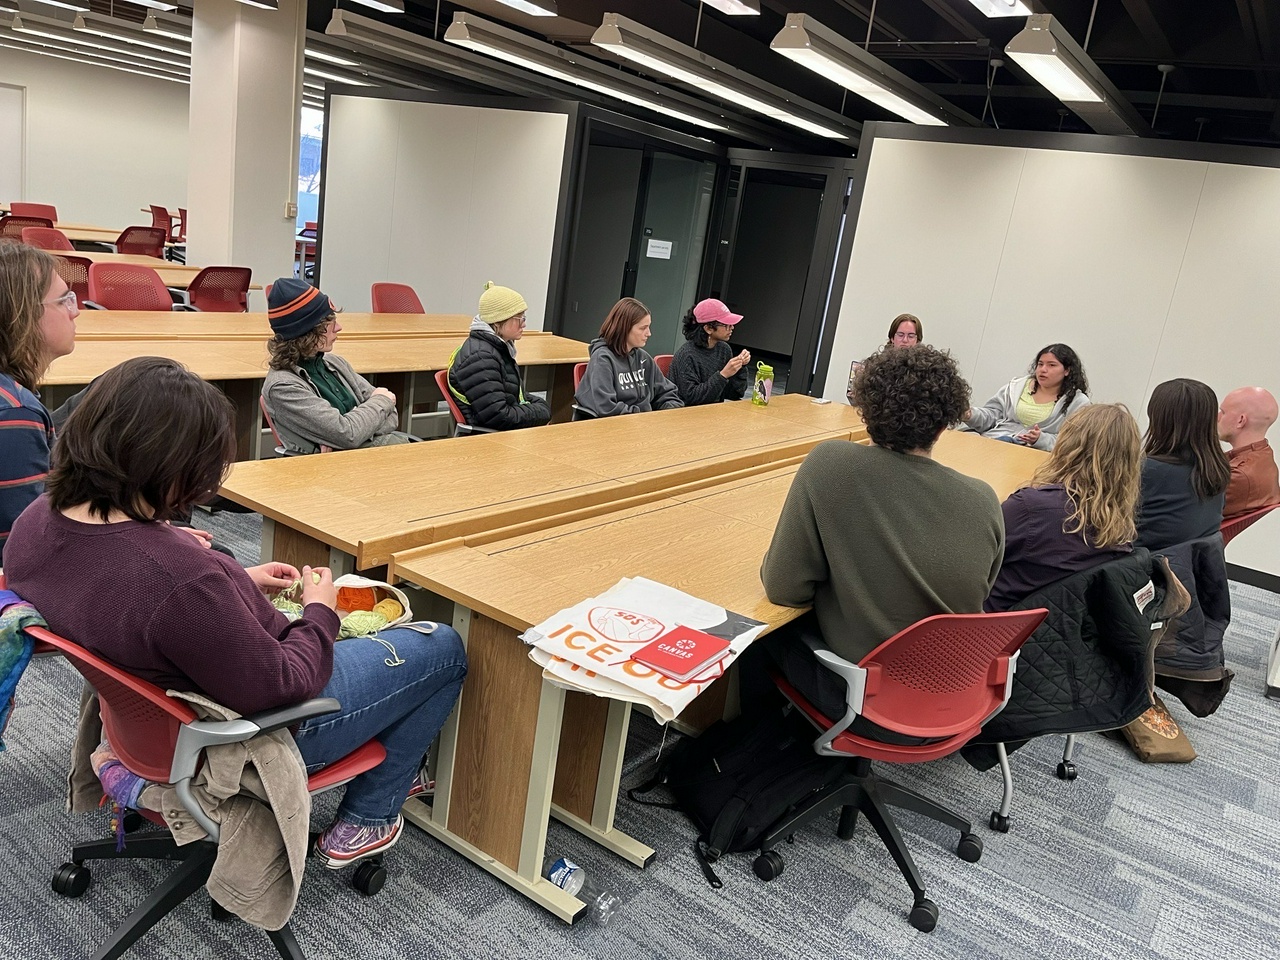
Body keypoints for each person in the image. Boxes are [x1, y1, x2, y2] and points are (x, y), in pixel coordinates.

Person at [4, 357, 467, 867]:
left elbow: (126, 597)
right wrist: (320, 612)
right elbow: (284, 684)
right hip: (250, 733)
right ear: (172, 467)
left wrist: (234, 581)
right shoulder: (179, 579)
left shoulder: (36, 522)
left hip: (147, 723)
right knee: (442, 648)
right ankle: (371, 814)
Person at [752, 345, 1005, 731]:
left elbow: (783, 589)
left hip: (858, 701)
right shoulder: (984, 499)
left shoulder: (830, 464)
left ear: (865, 412)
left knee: (759, 636)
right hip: (954, 701)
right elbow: (980, 592)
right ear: (944, 425)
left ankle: (753, 752)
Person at [985, 404, 1141, 611]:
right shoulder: (1120, 532)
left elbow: (975, 563)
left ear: (1068, 445)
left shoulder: (1030, 508)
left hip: (992, 620)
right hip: (1053, 625)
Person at [262, 278, 414, 454]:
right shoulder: (283, 386)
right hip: (344, 467)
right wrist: (380, 402)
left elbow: (392, 414)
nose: (339, 327)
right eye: (330, 322)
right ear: (308, 331)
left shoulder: (335, 363)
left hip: (373, 457)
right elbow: (349, 434)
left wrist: (355, 432)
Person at [0, 242, 77, 563]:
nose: (75, 311)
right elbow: (21, 550)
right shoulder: (15, 412)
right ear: (22, 314)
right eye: (64, 300)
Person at [1136, 378, 1230, 550]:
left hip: (1139, 560)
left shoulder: (1149, 470)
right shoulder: (1218, 469)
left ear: (1159, 418)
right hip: (1182, 563)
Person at [446, 281, 550, 431]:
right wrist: (541, 411)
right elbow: (499, 417)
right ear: (497, 321)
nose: (524, 324)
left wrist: (541, 407)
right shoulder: (481, 359)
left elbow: (513, 394)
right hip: (490, 438)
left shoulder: (496, 348)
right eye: (519, 319)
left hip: (503, 432)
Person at [960, 344, 1090, 450]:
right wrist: (970, 415)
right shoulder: (1016, 387)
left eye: (1051, 365)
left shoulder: (1078, 403)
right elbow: (991, 417)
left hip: (1034, 455)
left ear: (1067, 371)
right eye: (1040, 364)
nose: (1043, 370)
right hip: (995, 442)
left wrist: (1040, 439)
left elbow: (1073, 443)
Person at [573, 297, 683, 419]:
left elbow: (668, 393)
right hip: (617, 425)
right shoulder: (602, 359)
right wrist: (643, 416)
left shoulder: (643, 358)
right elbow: (606, 408)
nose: (649, 333)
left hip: (642, 422)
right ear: (624, 328)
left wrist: (667, 412)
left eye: (648, 327)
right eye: (642, 328)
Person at [668, 298, 751, 406]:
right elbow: (691, 398)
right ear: (708, 328)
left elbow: (735, 394)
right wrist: (723, 375)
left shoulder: (724, 350)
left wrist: (740, 367)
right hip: (685, 412)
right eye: (726, 324)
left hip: (713, 411)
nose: (732, 328)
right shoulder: (686, 355)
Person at [1217, 386, 1280, 519]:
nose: (1217, 417)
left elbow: (1184, 511)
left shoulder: (1240, 476)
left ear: (1241, 420)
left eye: (1223, 412)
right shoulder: (1263, 455)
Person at [846, 313, 922, 404]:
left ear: (918, 341)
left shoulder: (923, 371)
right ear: (892, 338)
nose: (905, 340)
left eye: (911, 336)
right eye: (900, 335)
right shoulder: (874, 366)